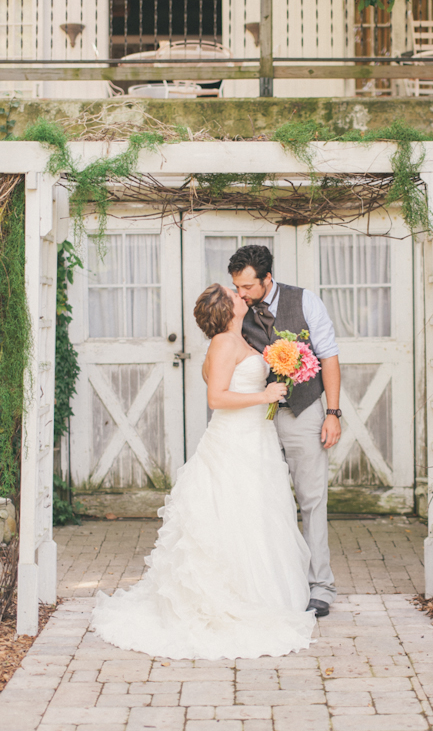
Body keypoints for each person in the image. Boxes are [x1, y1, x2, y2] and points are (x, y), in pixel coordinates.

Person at [91, 283, 316, 660]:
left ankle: (257, 594)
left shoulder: (234, 340)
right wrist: (264, 395)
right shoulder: (224, 344)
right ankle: (233, 601)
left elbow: (218, 382)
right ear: (227, 309)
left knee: (254, 518)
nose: (240, 294)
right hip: (234, 442)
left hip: (253, 438)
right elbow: (216, 398)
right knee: (233, 515)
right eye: (233, 293)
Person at [228, 245, 341, 618]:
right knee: (261, 501)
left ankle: (320, 586)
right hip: (255, 417)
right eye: (236, 286)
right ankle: (273, 583)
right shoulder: (234, 308)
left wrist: (333, 413)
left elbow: (328, 357)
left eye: (247, 286)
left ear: (267, 279)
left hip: (305, 410)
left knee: (311, 498)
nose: (241, 294)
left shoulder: (305, 301)